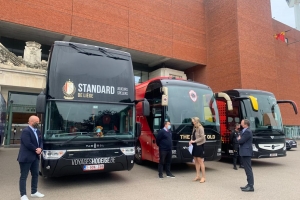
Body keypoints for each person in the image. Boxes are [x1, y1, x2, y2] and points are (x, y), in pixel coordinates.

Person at [17, 115, 45, 200]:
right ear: (32, 122)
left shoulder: (38, 131)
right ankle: (23, 195)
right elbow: (27, 143)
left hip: (35, 157)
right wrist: (36, 149)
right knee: (24, 176)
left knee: (35, 174)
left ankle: (34, 192)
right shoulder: (26, 131)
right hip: (26, 158)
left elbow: (41, 142)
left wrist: (40, 148)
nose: (38, 122)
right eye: (37, 121)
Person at [238, 119, 254, 192]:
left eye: (242, 122)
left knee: (248, 169)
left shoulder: (247, 131)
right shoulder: (243, 131)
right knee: (246, 169)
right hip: (244, 152)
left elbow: (241, 140)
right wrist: (239, 139)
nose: (241, 123)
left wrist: (239, 139)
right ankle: (248, 184)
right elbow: (238, 138)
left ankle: (251, 186)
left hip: (246, 152)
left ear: (245, 124)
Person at [189, 117, 206, 183]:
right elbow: (193, 135)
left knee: (200, 161)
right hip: (194, 145)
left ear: (196, 121)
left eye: (193, 121)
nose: (192, 122)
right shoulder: (194, 127)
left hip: (199, 145)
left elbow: (202, 137)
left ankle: (203, 177)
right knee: (195, 160)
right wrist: (191, 141)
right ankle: (198, 175)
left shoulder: (200, 128)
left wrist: (194, 141)